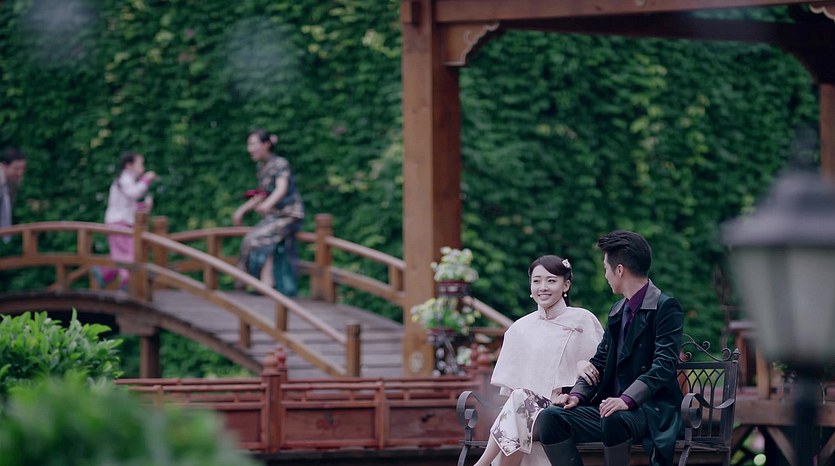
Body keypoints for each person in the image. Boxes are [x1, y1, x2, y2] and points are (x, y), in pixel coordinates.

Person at [536, 230, 685, 466]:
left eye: (606, 268)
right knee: (550, 417)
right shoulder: (617, 310)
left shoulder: (665, 307)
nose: (605, 275)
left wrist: (627, 399)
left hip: (650, 410)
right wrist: (576, 395)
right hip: (610, 409)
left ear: (620, 270)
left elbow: (664, 365)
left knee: (614, 417)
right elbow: (600, 361)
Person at [472, 255, 604, 466]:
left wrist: (575, 384)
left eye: (551, 281)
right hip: (525, 413)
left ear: (566, 285)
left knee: (520, 403)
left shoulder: (582, 320)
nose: (543, 287)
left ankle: (481, 464)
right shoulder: (519, 328)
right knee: (519, 401)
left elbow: (599, 372)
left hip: (565, 412)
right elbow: (511, 392)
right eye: (536, 281)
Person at [232, 129, 304, 287]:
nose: (250, 149)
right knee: (260, 242)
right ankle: (266, 283)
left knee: (253, 239)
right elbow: (261, 194)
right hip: (273, 217)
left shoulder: (280, 163)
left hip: (289, 215)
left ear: (266, 144)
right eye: (249, 145)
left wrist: (268, 204)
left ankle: (241, 282)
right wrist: (242, 210)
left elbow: (281, 188)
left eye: (253, 144)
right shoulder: (262, 167)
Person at [95, 151, 158, 290]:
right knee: (128, 252)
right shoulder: (125, 179)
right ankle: (127, 280)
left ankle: (105, 273)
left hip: (120, 221)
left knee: (121, 252)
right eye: (140, 164)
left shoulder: (126, 180)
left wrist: (143, 207)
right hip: (119, 222)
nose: (142, 168)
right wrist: (146, 179)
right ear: (129, 165)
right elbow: (134, 193)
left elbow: (127, 204)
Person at [1, 146, 26, 242]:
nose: (20, 173)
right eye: (16, 169)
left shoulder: (13, 181)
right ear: (5, 166)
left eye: (22, 169)